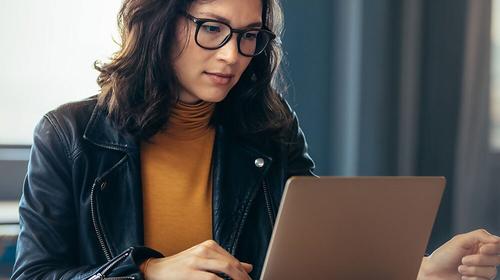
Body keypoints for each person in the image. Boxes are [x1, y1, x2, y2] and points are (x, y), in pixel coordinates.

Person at [11, 0, 500, 279]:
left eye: (249, 35)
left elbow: (315, 259)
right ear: (159, 23)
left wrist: (420, 271)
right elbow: (33, 276)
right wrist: (147, 273)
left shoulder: (269, 126)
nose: (232, 54)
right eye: (211, 29)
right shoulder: (70, 134)